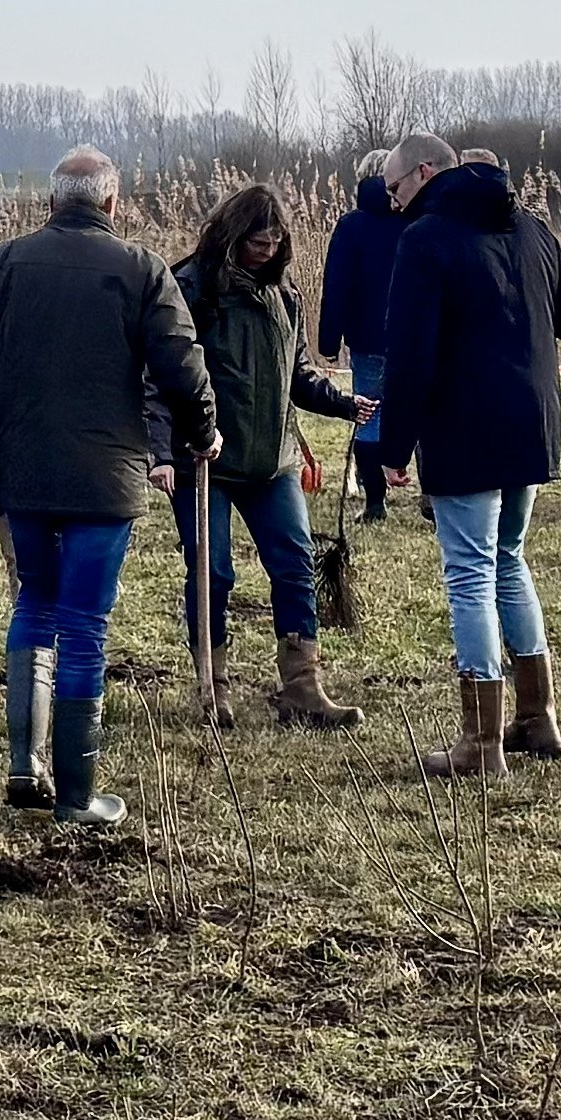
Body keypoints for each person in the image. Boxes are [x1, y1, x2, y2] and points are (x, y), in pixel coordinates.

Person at [0, 146, 214, 829]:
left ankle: (22, 762)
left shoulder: (0, 266)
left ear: (51, 200)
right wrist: (203, 432)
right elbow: (182, 368)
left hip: (25, 475)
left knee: (34, 604)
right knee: (85, 627)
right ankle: (75, 794)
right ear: (112, 202)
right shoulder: (142, 270)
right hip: (107, 477)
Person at [370, 144, 561, 776]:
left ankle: (481, 744)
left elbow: (409, 354)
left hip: (465, 429)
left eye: (394, 187)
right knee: (507, 560)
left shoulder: (425, 241)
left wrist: (393, 445)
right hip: (532, 423)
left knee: (469, 573)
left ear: (424, 173)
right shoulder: (532, 227)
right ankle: (537, 718)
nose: (391, 201)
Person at [173, 186, 363, 731]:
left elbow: (297, 375)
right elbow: (161, 374)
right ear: (233, 235)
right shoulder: (190, 290)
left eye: (276, 239)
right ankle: (212, 687)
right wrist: (166, 450)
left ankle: (303, 687)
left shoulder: (287, 298)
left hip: (274, 463)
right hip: (204, 462)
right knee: (212, 572)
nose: (267, 247)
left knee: (294, 565)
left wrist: (345, 403)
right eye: (258, 239)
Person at [317, 147, 414, 520]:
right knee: (421, 410)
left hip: (368, 338)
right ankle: (433, 500)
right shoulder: (416, 220)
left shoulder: (352, 225)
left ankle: (375, 502)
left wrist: (328, 339)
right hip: (414, 338)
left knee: (368, 414)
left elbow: (337, 286)